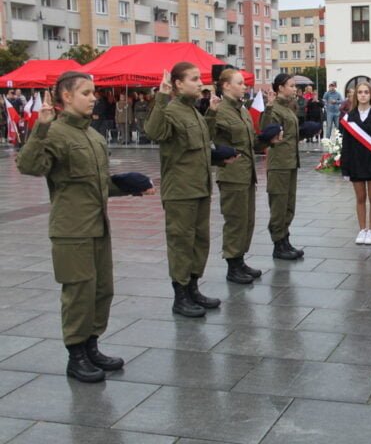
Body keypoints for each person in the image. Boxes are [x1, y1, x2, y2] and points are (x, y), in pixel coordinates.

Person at [16, 72, 155, 382]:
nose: (94, 97)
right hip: (71, 229)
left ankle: (92, 345)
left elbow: (99, 184)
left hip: (97, 224)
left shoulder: (92, 136)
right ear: (66, 97)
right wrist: (40, 127)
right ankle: (76, 354)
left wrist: (129, 185)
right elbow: (28, 166)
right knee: (78, 292)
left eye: (94, 92)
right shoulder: (54, 133)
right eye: (87, 93)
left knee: (102, 290)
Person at [144, 62, 224, 318]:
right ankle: (180, 296)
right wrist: (161, 97)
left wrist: (210, 114)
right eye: (194, 79)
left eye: (200, 78)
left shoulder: (194, 112)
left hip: (200, 187)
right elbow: (154, 132)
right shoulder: (170, 110)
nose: (200, 83)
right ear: (178, 84)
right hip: (180, 191)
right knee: (181, 242)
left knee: (199, 241)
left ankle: (193, 288)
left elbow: (203, 143)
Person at [206, 69, 281, 283]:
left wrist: (267, 140)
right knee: (235, 221)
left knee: (247, 220)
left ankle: (239, 260)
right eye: (239, 83)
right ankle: (232, 264)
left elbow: (251, 144)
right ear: (226, 86)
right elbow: (207, 135)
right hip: (231, 174)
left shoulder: (242, 110)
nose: (244, 86)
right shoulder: (219, 110)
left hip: (246, 173)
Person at [261, 73, 306, 260]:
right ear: (280, 88)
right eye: (291, 86)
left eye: (295, 86)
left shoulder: (288, 108)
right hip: (279, 163)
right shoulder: (275, 108)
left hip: (290, 162)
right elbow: (265, 129)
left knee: (289, 204)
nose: (295, 89)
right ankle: (278, 243)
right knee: (279, 205)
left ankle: (285, 239)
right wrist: (269, 107)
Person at [340, 81, 371, 245]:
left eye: (366, 92)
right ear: (356, 95)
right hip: (355, 162)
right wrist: (344, 168)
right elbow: (345, 144)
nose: (362, 95)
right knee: (360, 198)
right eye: (360, 92)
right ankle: (362, 230)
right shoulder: (349, 116)